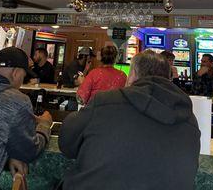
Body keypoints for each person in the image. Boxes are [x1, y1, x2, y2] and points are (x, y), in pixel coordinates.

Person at [59, 51, 200, 190]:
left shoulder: (104, 101)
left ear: (132, 75)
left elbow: (66, 144)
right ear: (167, 77)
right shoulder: (190, 119)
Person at [0, 46, 52, 190]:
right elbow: (28, 151)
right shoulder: (16, 100)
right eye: (23, 77)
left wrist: (8, 155)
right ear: (16, 73)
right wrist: (44, 125)